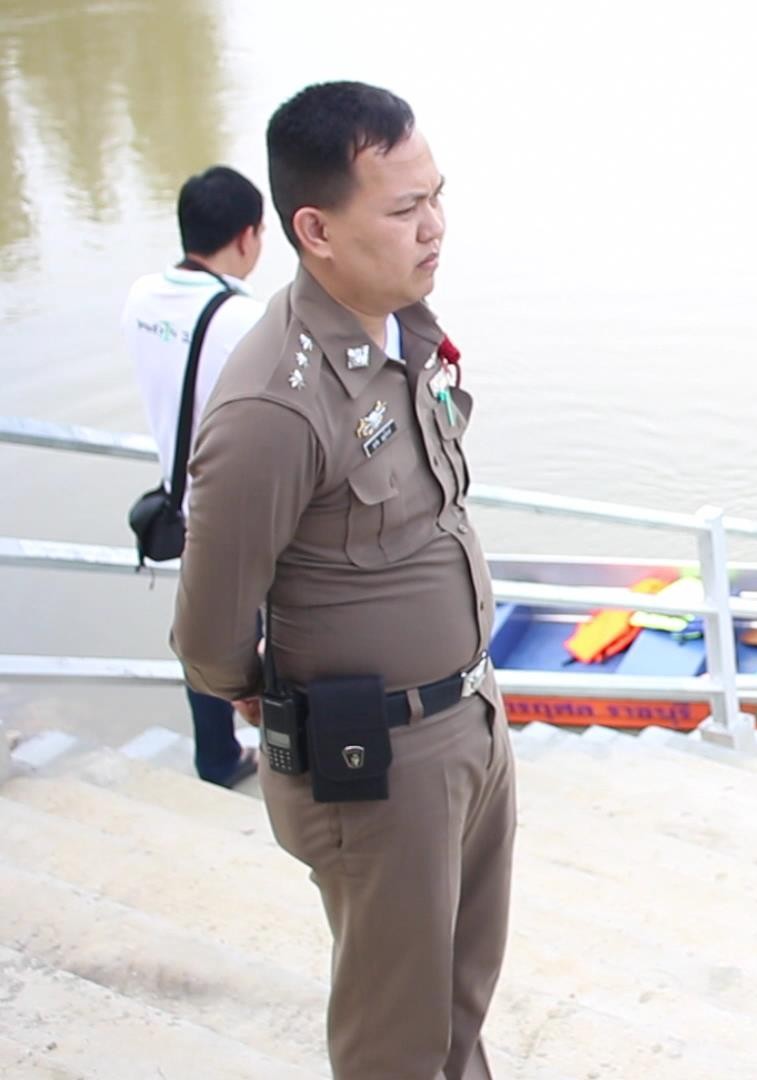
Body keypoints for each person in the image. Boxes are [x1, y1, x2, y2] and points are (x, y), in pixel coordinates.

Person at [170, 81, 514, 1079]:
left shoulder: (407, 332)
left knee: (456, 1012)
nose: (435, 226)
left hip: (468, 726)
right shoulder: (273, 405)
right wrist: (259, 680)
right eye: (405, 210)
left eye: (436, 196)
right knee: (392, 1045)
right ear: (314, 228)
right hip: (380, 765)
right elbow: (208, 638)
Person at [122, 164, 269, 788]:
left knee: (204, 633)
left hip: (181, 502)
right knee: (260, 641)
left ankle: (215, 757)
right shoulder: (247, 319)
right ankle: (287, 758)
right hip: (239, 511)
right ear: (247, 236)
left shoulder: (140, 298)